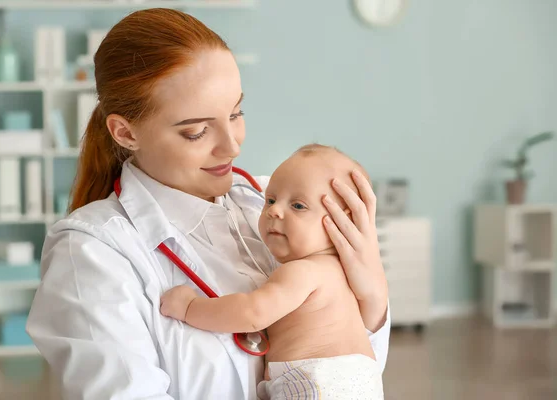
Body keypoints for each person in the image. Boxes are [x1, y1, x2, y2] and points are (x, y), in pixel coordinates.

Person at [26, 8, 390, 400]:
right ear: (125, 132)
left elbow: (351, 375)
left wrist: (373, 295)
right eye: (197, 132)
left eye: (236, 113)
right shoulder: (91, 254)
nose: (232, 145)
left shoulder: (274, 203)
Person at [160, 144, 384, 400]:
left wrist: (190, 308)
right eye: (271, 200)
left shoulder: (304, 271)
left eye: (298, 206)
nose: (275, 211)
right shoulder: (342, 274)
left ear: (341, 220)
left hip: (317, 386)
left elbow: (253, 313)